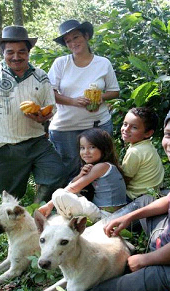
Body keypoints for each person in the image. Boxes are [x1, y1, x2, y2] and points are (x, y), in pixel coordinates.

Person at [40, 98, 170, 291]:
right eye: (168, 134)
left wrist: (144, 260)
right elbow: (169, 199)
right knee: (144, 202)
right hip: (166, 237)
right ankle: (107, 228)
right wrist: (129, 216)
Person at [0, 25, 66, 202]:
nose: (16, 57)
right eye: (10, 52)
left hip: (36, 142)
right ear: (3, 53)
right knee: (11, 196)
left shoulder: (40, 76)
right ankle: (13, 223)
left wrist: (44, 117)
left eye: (21, 51)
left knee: (56, 174)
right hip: (4, 146)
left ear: (29, 52)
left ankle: (37, 211)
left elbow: (50, 107)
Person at [48, 19, 120, 181]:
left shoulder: (103, 63)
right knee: (71, 168)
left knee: (102, 166)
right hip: (66, 128)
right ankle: (72, 204)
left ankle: (102, 203)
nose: (73, 43)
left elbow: (114, 91)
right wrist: (73, 101)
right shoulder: (61, 63)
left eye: (76, 37)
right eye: (68, 41)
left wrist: (100, 98)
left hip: (97, 124)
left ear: (86, 36)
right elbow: (49, 92)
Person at [39, 128, 127, 222]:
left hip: (108, 217)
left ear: (104, 148)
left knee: (59, 195)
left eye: (92, 147)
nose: (86, 152)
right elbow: (73, 186)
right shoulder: (100, 166)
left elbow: (73, 188)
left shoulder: (101, 167)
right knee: (66, 195)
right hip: (105, 214)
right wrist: (80, 176)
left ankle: (66, 222)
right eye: (82, 148)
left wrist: (49, 205)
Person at [121, 107, 164, 201]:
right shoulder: (147, 146)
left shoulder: (135, 152)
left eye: (134, 127)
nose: (126, 129)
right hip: (151, 193)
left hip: (135, 196)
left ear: (148, 133)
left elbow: (124, 179)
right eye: (125, 124)